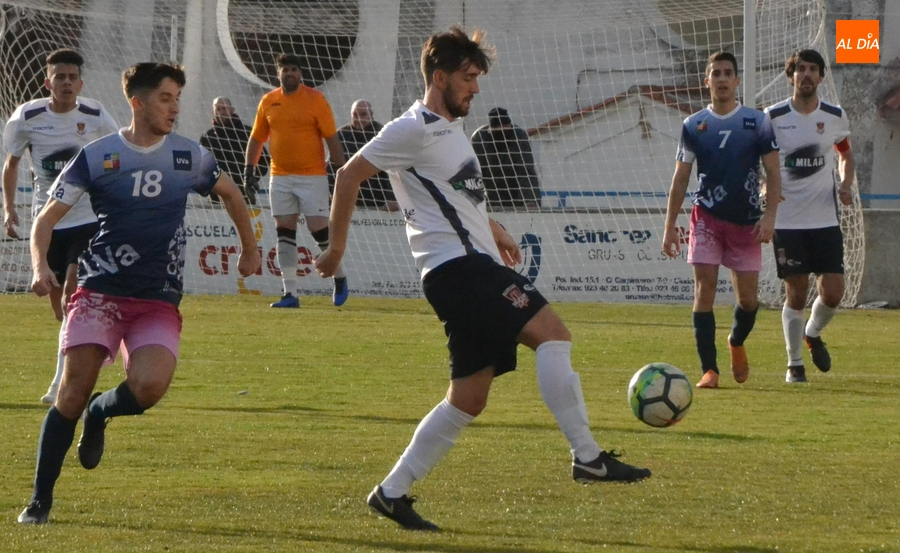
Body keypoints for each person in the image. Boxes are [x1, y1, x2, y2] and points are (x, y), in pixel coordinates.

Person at [316, 26, 651, 532]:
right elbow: (347, 177)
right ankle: (588, 457)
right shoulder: (411, 127)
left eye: (477, 78)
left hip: (468, 265)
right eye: (469, 78)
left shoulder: (450, 131)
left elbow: (457, 198)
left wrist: (493, 229)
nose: (475, 88)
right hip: (458, 270)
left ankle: (391, 493)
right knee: (554, 336)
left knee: (468, 398)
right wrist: (337, 250)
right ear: (439, 76)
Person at [16, 62, 261, 525]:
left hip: (157, 297)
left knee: (148, 388)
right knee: (70, 393)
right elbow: (45, 220)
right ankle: (39, 501)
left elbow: (230, 194)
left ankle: (100, 414)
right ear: (138, 102)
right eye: (166, 98)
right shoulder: (97, 155)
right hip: (99, 292)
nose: (174, 108)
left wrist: (250, 248)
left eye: (177, 100)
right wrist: (38, 267)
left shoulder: (190, 156)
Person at [2, 48, 119, 404]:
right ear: (47, 81)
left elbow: (116, 152)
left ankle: (60, 384)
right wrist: (9, 209)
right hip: (48, 221)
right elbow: (12, 164)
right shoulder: (27, 116)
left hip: (88, 219)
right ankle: (78, 363)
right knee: (61, 309)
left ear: (80, 83)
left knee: (73, 295)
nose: (66, 83)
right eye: (60, 77)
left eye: (72, 77)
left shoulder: (96, 114)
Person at [662, 51, 782, 390]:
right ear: (707, 81)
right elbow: (681, 178)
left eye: (728, 73)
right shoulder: (693, 125)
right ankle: (709, 370)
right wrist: (670, 226)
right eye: (716, 73)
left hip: (746, 222)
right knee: (704, 290)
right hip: (707, 218)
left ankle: (736, 341)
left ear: (737, 80)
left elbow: (773, 172)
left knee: (748, 301)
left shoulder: (757, 122)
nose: (723, 79)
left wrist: (770, 215)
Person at [764, 49, 855, 384]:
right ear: (791, 76)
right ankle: (794, 364)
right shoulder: (772, 116)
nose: (805, 75)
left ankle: (812, 334)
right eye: (799, 69)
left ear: (819, 77)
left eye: (812, 69)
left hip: (825, 219)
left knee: (833, 292)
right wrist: (764, 186)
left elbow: (846, 155)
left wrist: (845, 183)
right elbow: (758, 160)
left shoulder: (834, 116)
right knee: (797, 292)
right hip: (787, 221)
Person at [245, 54, 348, 308]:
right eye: (285, 70)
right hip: (279, 176)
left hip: (312, 176)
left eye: (293, 69)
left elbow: (331, 138)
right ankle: (290, 293)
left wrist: (341, 171)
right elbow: (257, 139)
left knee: (320, 231)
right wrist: (248, 170)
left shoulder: (315, 100)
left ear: (300, 74)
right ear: (277, 73)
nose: (289, 73)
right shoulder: (268, 101)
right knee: (284, 232)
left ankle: (340, 277)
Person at [199, 96, 269, 205]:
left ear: (232, 110)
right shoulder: (207, 138)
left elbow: (264, 162)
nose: (222, 112)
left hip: (243, 196)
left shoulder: (247, 133)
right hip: (217, 198)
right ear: (213, 112)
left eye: (224, 108)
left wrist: (250, 180)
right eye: (218, 109)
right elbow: (201, 167)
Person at [470, 106, 541, 211]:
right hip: (490, 193)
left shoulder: (519, 137)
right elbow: (475, 173)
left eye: (505, 127)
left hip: (517, 193)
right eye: (497, 128)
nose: (501, 131)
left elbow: (525, 172)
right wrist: (473, 200)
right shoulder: (479, 139)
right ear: (490, 129)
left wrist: (530, 200)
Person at [335, 99, 398, 211]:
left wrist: (391, 198)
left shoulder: (382, 134)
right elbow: (333, 166)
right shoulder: (341, 135)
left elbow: (391, 168)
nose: (359, 119)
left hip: (378, 196)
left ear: (371, 115)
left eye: (363, 114)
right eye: (355, 115)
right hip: (348, 195)